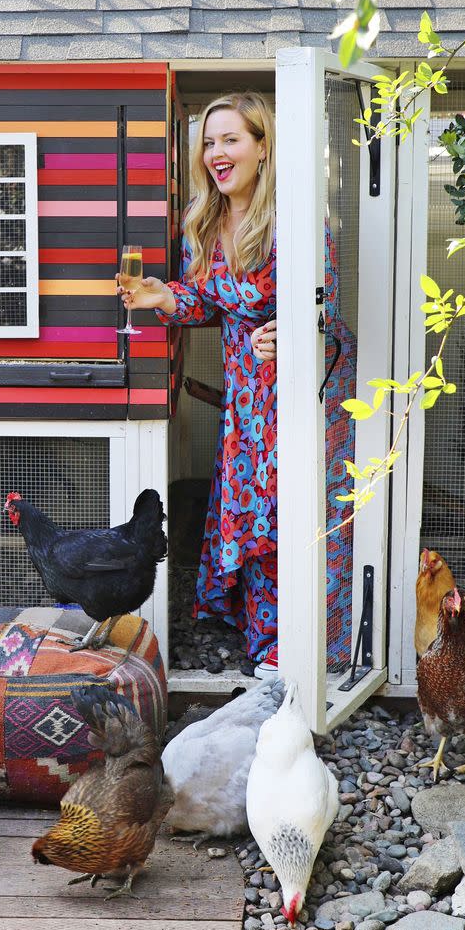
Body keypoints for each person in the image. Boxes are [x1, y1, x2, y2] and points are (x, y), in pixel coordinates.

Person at [117, 92, 278, 677]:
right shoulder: (203, 222)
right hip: (245, 400)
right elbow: (206, 301)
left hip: (295, 398)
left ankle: (293, 647)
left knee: (278, 514)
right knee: (248, 510)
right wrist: (163, 296)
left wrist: (287, 335)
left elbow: (324, 311)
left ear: (263, 147)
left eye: (231, 139)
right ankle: (260, 640)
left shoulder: (294, 222)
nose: (216, 153)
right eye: (209, 142)